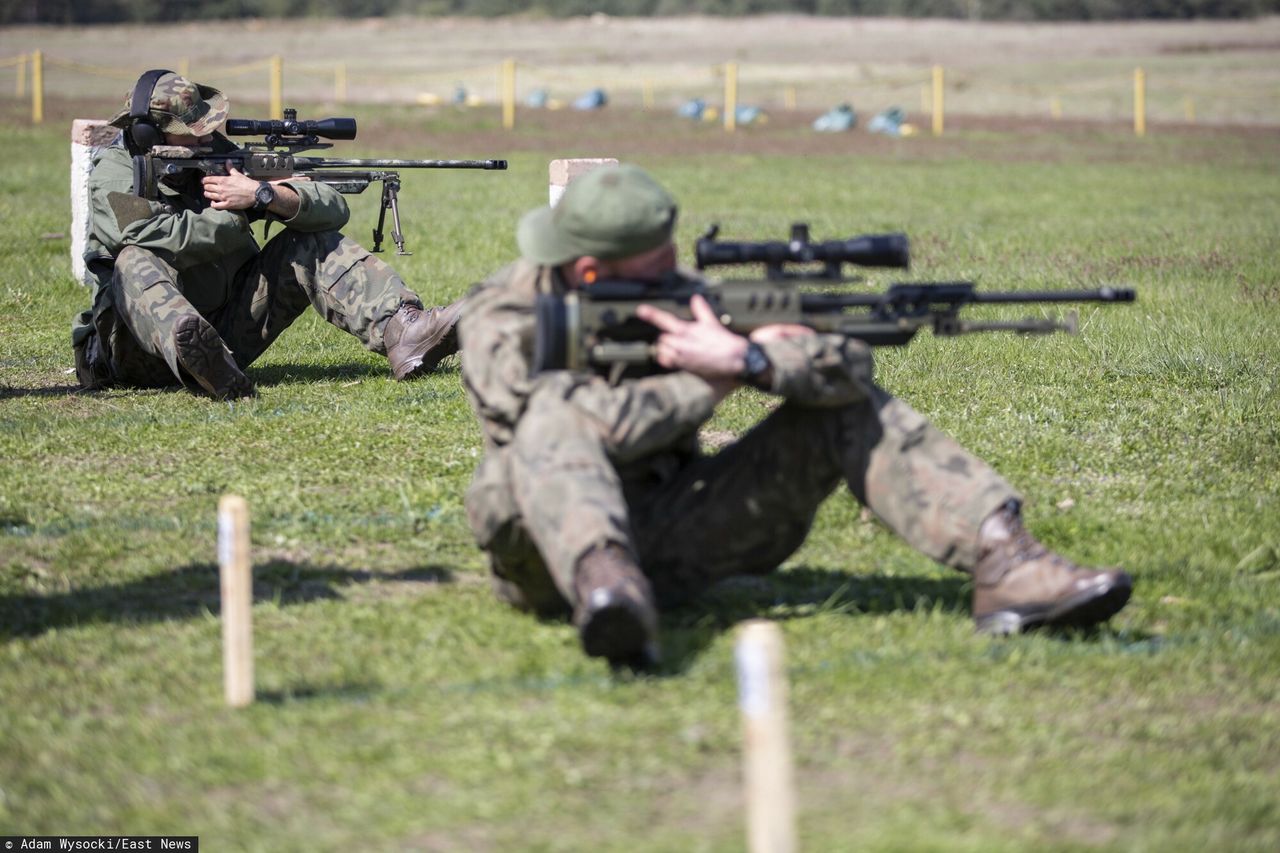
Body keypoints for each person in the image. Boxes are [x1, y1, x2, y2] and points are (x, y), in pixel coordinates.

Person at [458, 163, 1133, 668]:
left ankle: (1008, 561)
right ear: (586, 271)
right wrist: (708, 382)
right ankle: (607, 586)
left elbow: (847, 363)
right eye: (653, 267)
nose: (673, 277)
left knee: (840, 406)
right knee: (551, 412)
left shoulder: (687, 296)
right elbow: (554, 424)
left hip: (674, 534)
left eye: (671, 258)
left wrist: (756, 361)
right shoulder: (503, 315)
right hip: (547, 560)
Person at [72, 71, 462, 399]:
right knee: (132, 259)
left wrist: (265, 194)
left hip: (225, 335)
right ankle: (195, 352)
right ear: (145, 132)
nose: (204, 137)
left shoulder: (218, 152)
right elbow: (149, 234)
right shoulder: (116, 173)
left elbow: (331, 208)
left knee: (310, 242)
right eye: (189, 132)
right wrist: (235, 216)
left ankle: (404, 331)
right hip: (133, 349)